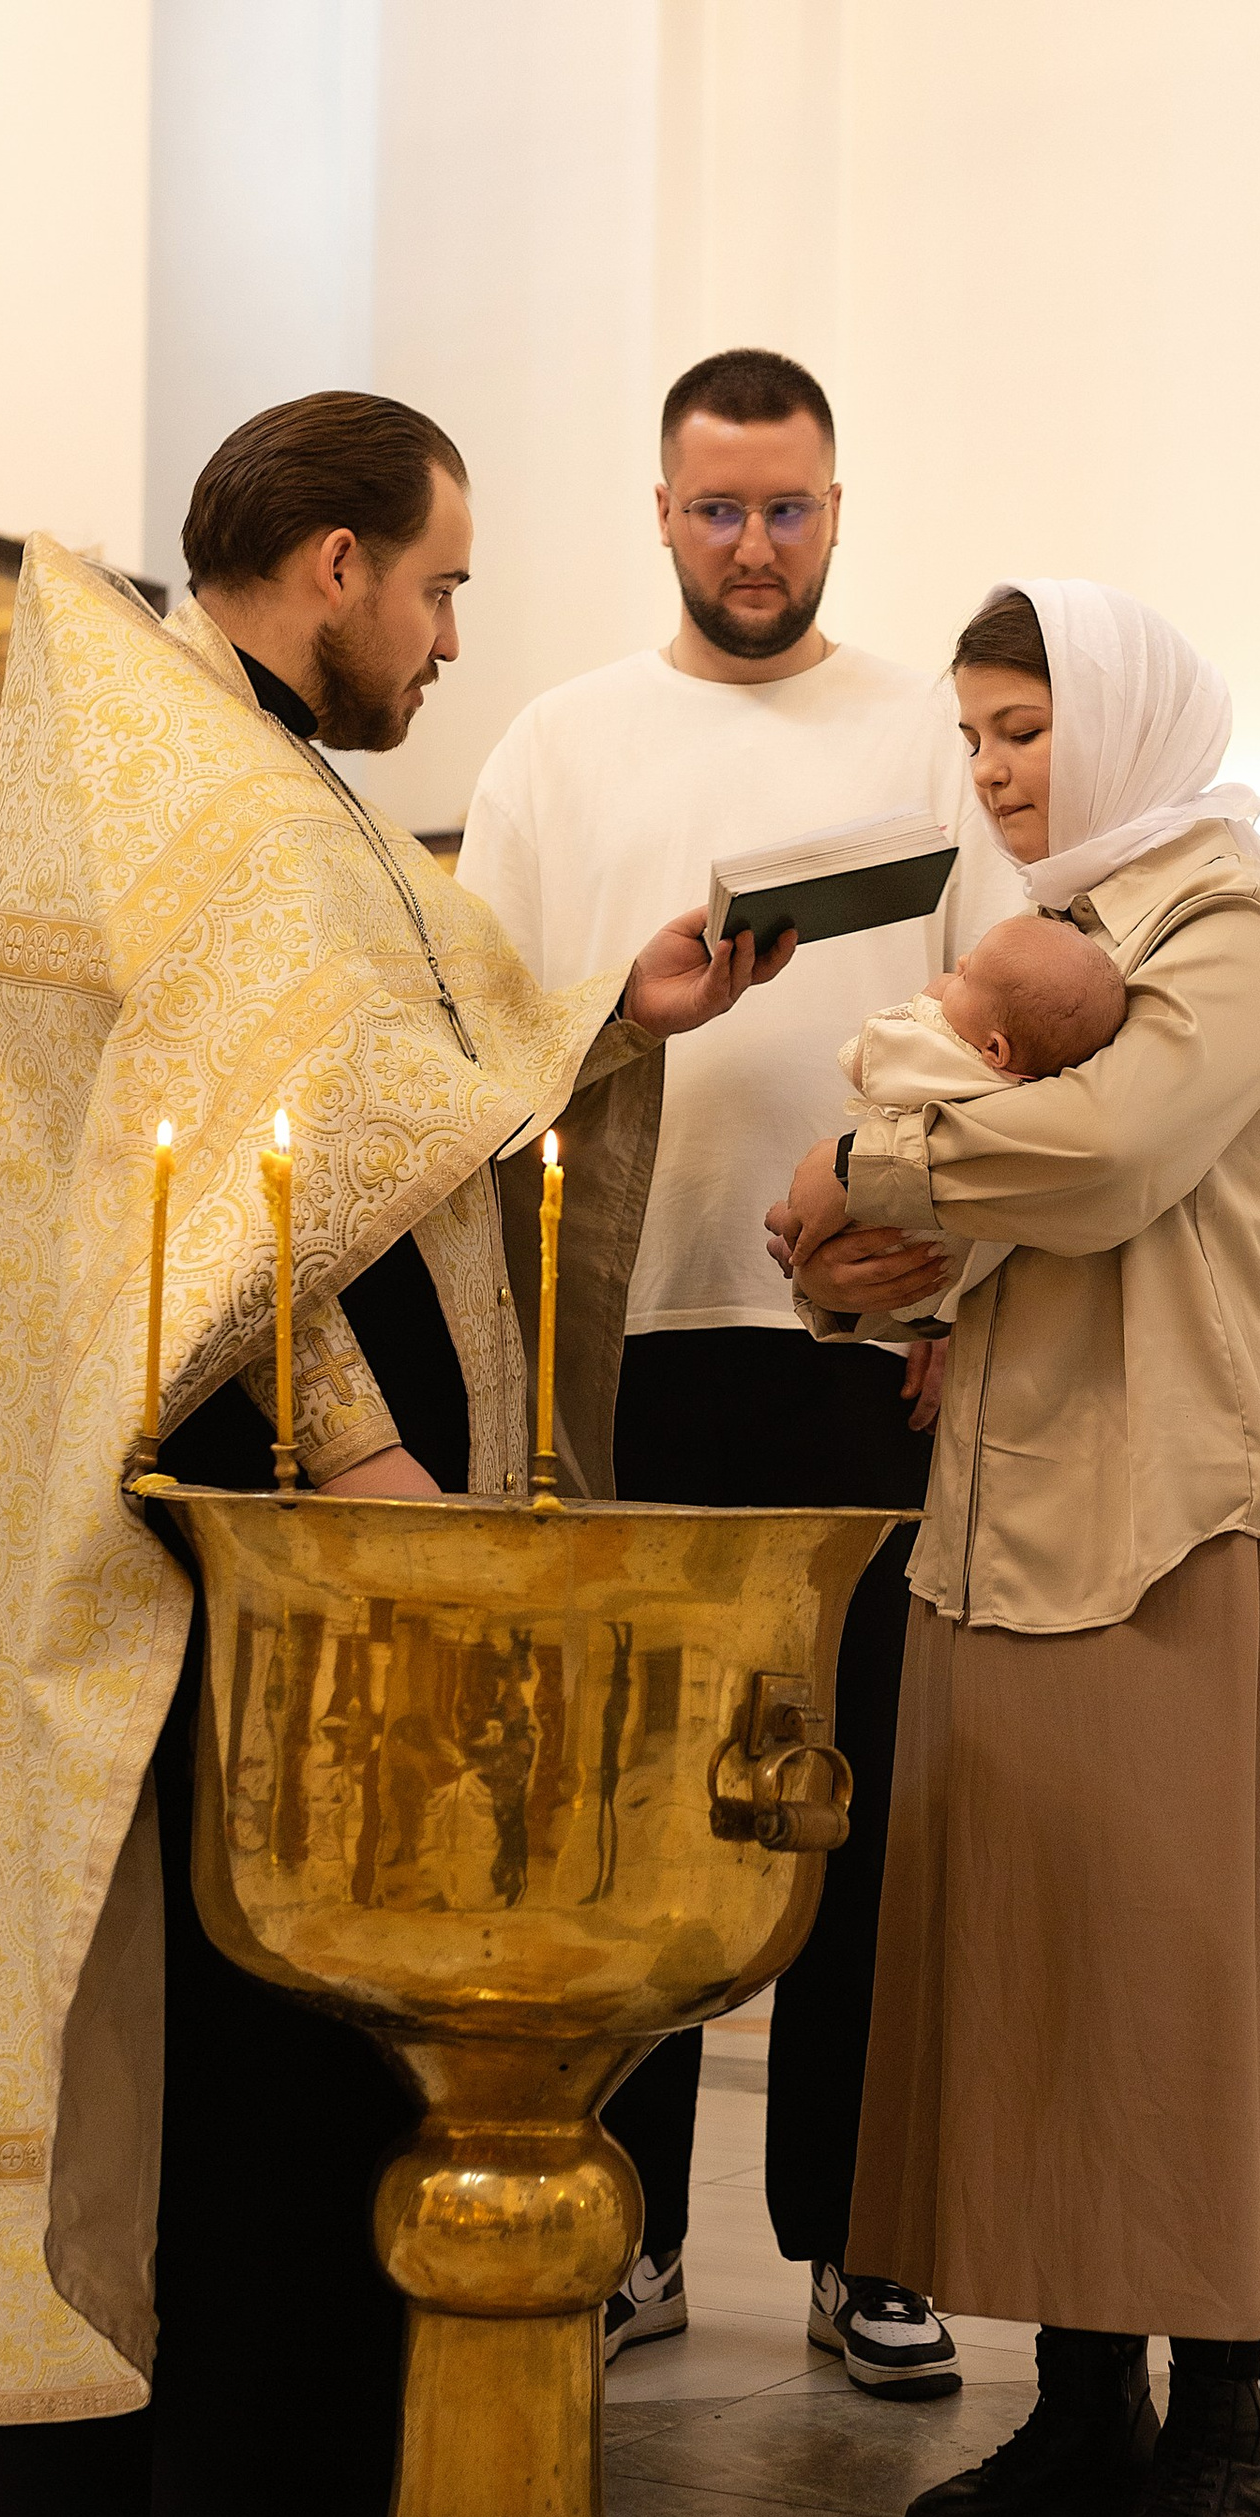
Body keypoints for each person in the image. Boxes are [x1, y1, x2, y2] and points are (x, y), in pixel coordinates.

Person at [0, 392, 791, 2517]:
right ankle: (232, 2466)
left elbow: (405, 1098)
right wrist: (362, 1463)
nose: (451, 635)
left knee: (261, 1961)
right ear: (336, 563)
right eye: (440, 581)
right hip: (278, 1508)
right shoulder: (235, 803)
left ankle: (168, 2441)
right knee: (258, 1976)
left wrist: (616, 1019)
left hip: (291, 1490)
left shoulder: (264, 779)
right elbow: (229, 1215)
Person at [777, 580, 1260, 2517]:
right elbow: (965, 1217)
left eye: (1022, 728)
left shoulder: (1231, 915)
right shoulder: (1042, 943)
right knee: (1030, 1969)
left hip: (1190, 1512)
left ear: (1119, 722)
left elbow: (1111, 1158)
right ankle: (1080, 2406)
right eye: (970, 738)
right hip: (1002, 1511)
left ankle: (1219, 2444)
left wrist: (869, 1178)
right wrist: (862, 1244)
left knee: (1179, 1979)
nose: (991, 771)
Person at [460, 348, 1009, 2403]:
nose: (753, 543)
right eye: (716, 510)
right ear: (660, 515)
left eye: (787, 507)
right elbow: (476, 1038)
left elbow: (1005, 1034)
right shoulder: (558, 745)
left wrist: (963, 1292)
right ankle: (628, 2232)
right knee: (642, 1814)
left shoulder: (929, 744)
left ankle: (867, 2246)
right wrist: (632, 1003)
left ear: (839, 510)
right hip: (630, 1347)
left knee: (862, 1803)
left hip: (868, 1348)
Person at [783, 917, 1130, 1312]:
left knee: (798, 1220)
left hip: (894, 1238)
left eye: (966, 978)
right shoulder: (1033, 1093)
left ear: (995, 1049)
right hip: (949, 1266)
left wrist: (925, 1003)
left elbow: (860, 1060)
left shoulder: (953, 1060)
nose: (959, 964)